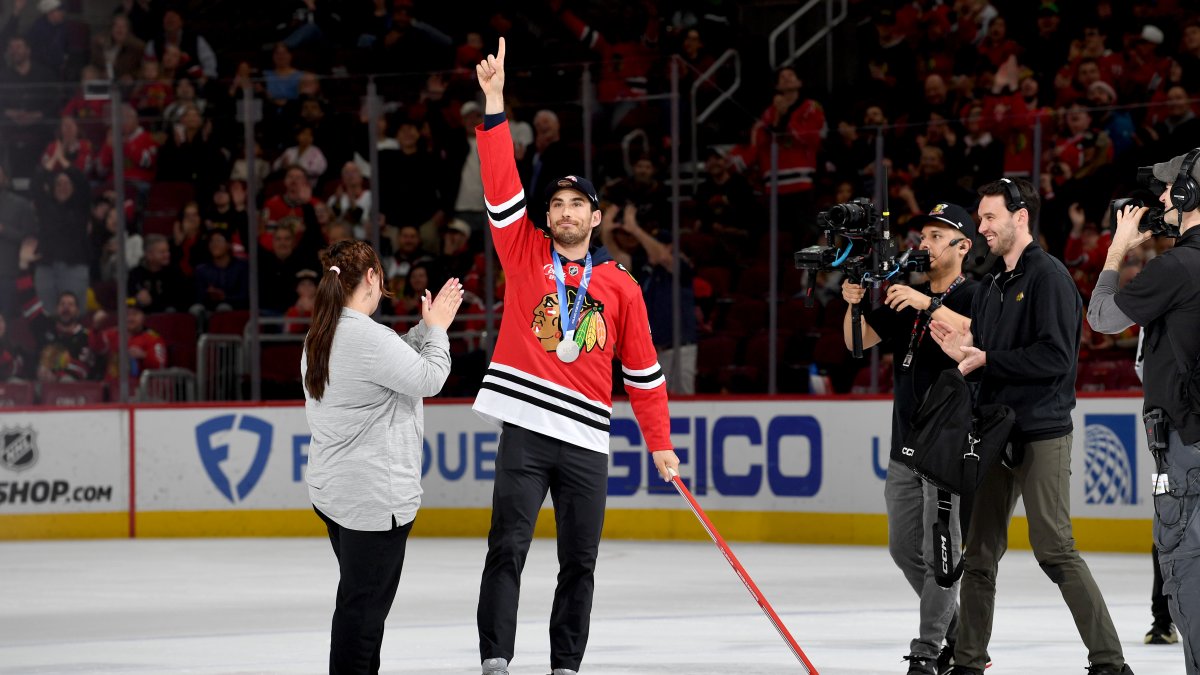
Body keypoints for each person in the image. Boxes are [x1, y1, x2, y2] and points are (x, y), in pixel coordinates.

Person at [471, 38, 680, 675]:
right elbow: (503, 185)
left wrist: (661, 441)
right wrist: (496, 103)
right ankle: (496, 660)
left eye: (576, 205)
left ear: (595, 218)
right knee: (506, 546)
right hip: (527, 429)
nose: (564, 212)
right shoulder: (523, 254)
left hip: (587, 437)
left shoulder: (620, 285)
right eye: (556, 203)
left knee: (579, 561)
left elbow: (644, 374)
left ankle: (566, 665)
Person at [930, 178, 1131, 675]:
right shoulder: (993, 283)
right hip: (995, 434)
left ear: (1020, 217)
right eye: (980, 219)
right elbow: (987, 357)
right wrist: (966, 357)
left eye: (990, 217)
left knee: (1055, 550)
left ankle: (1110, 663)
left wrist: (987, 360)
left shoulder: (1050, 277)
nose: (982, 228)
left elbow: (1057, 358)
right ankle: (969, 663)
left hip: (1042, 431)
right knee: (979, 555)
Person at [301, 239, 461, 674]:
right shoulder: (365, 337)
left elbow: (390, 357)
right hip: (372, 499)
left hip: (336, 494)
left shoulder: (324, 329)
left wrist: (425, 330)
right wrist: (441, 329)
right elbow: (429, 378)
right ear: (371, 276)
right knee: (363, 614)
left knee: (360, 604)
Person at [842, 203, 978, 675]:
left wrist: (929, 304)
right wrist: (854, 301)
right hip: (905, 444)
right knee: (905, 548)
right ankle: (959, 633)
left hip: (948, 447)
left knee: (941, 550)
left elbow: (973, 337)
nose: (925, 244)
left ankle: (927, 649)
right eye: (923, 235)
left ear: (963, 247)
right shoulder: (905, 300)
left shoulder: (976, 295)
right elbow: (855, 342)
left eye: (937, 236)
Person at [1087, 149, 1200, 675]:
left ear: (1187, 194)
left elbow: (1103, 316)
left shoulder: (1178, 265)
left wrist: (1115, 251)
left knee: (1187, 575)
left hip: (1188, 444)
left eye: (1166, 189)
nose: (1157, 199)